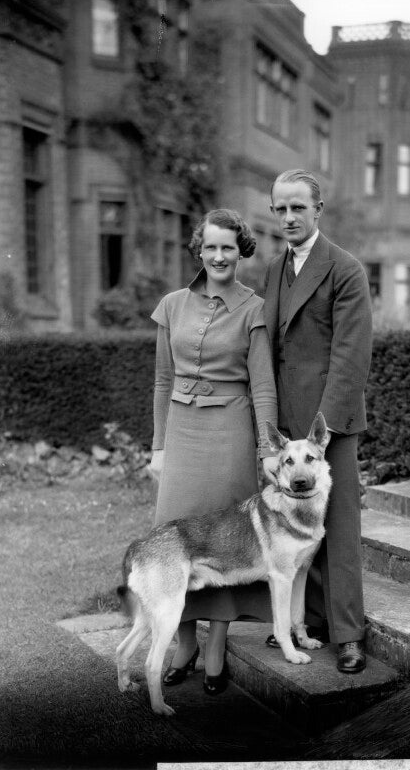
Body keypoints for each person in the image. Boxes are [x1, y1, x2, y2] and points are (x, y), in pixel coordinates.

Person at [148, 208, 277, 695]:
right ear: (199, 250)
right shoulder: (172, 305)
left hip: (230, 435)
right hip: (181, 435)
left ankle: (218, 644)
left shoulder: (254, 309)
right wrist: (158, 446)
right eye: (210, 247)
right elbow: (163, 380)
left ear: (241, 251)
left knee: (224, 541)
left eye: (228, 247)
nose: (219, 256)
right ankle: (185, 644)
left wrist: (266, 448)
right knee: (173, 541)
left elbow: (263, 386)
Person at [261, 169, 373, 674]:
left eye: (298, 208)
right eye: (280, 209)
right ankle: (307, 622)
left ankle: (348, 634)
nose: (288, 218)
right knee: (291, 521)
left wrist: (320, 437)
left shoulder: (345, 269)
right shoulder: (272, 269)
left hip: (330, 427)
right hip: (285, 424)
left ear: (318, 210)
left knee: (339, 525)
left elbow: (351, 358)